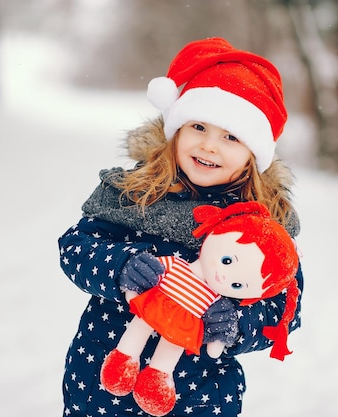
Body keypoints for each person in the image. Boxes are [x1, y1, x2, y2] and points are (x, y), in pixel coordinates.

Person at [58, 37, 304, 417]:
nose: (209, 146)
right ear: (176, 129)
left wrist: (239, 323)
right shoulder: (133, 192)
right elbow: (76, 247)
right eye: (199, 126)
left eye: (231, 137)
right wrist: (120, 265)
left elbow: (286, 303)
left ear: (253, 155)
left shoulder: (262, 227)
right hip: (101, 382)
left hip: (200, 394)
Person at [100, 202, 300, 416]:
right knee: (140, 326)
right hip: (154, 306)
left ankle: (157, 378)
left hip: (201, 380)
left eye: (237, 285)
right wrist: (125, 270)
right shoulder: (127, 199)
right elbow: (80, 244)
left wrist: (231, 325)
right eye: (226, 261)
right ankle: (123, 359)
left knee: (172, 345)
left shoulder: (278, 240)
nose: (223, 276)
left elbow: (282, 313)